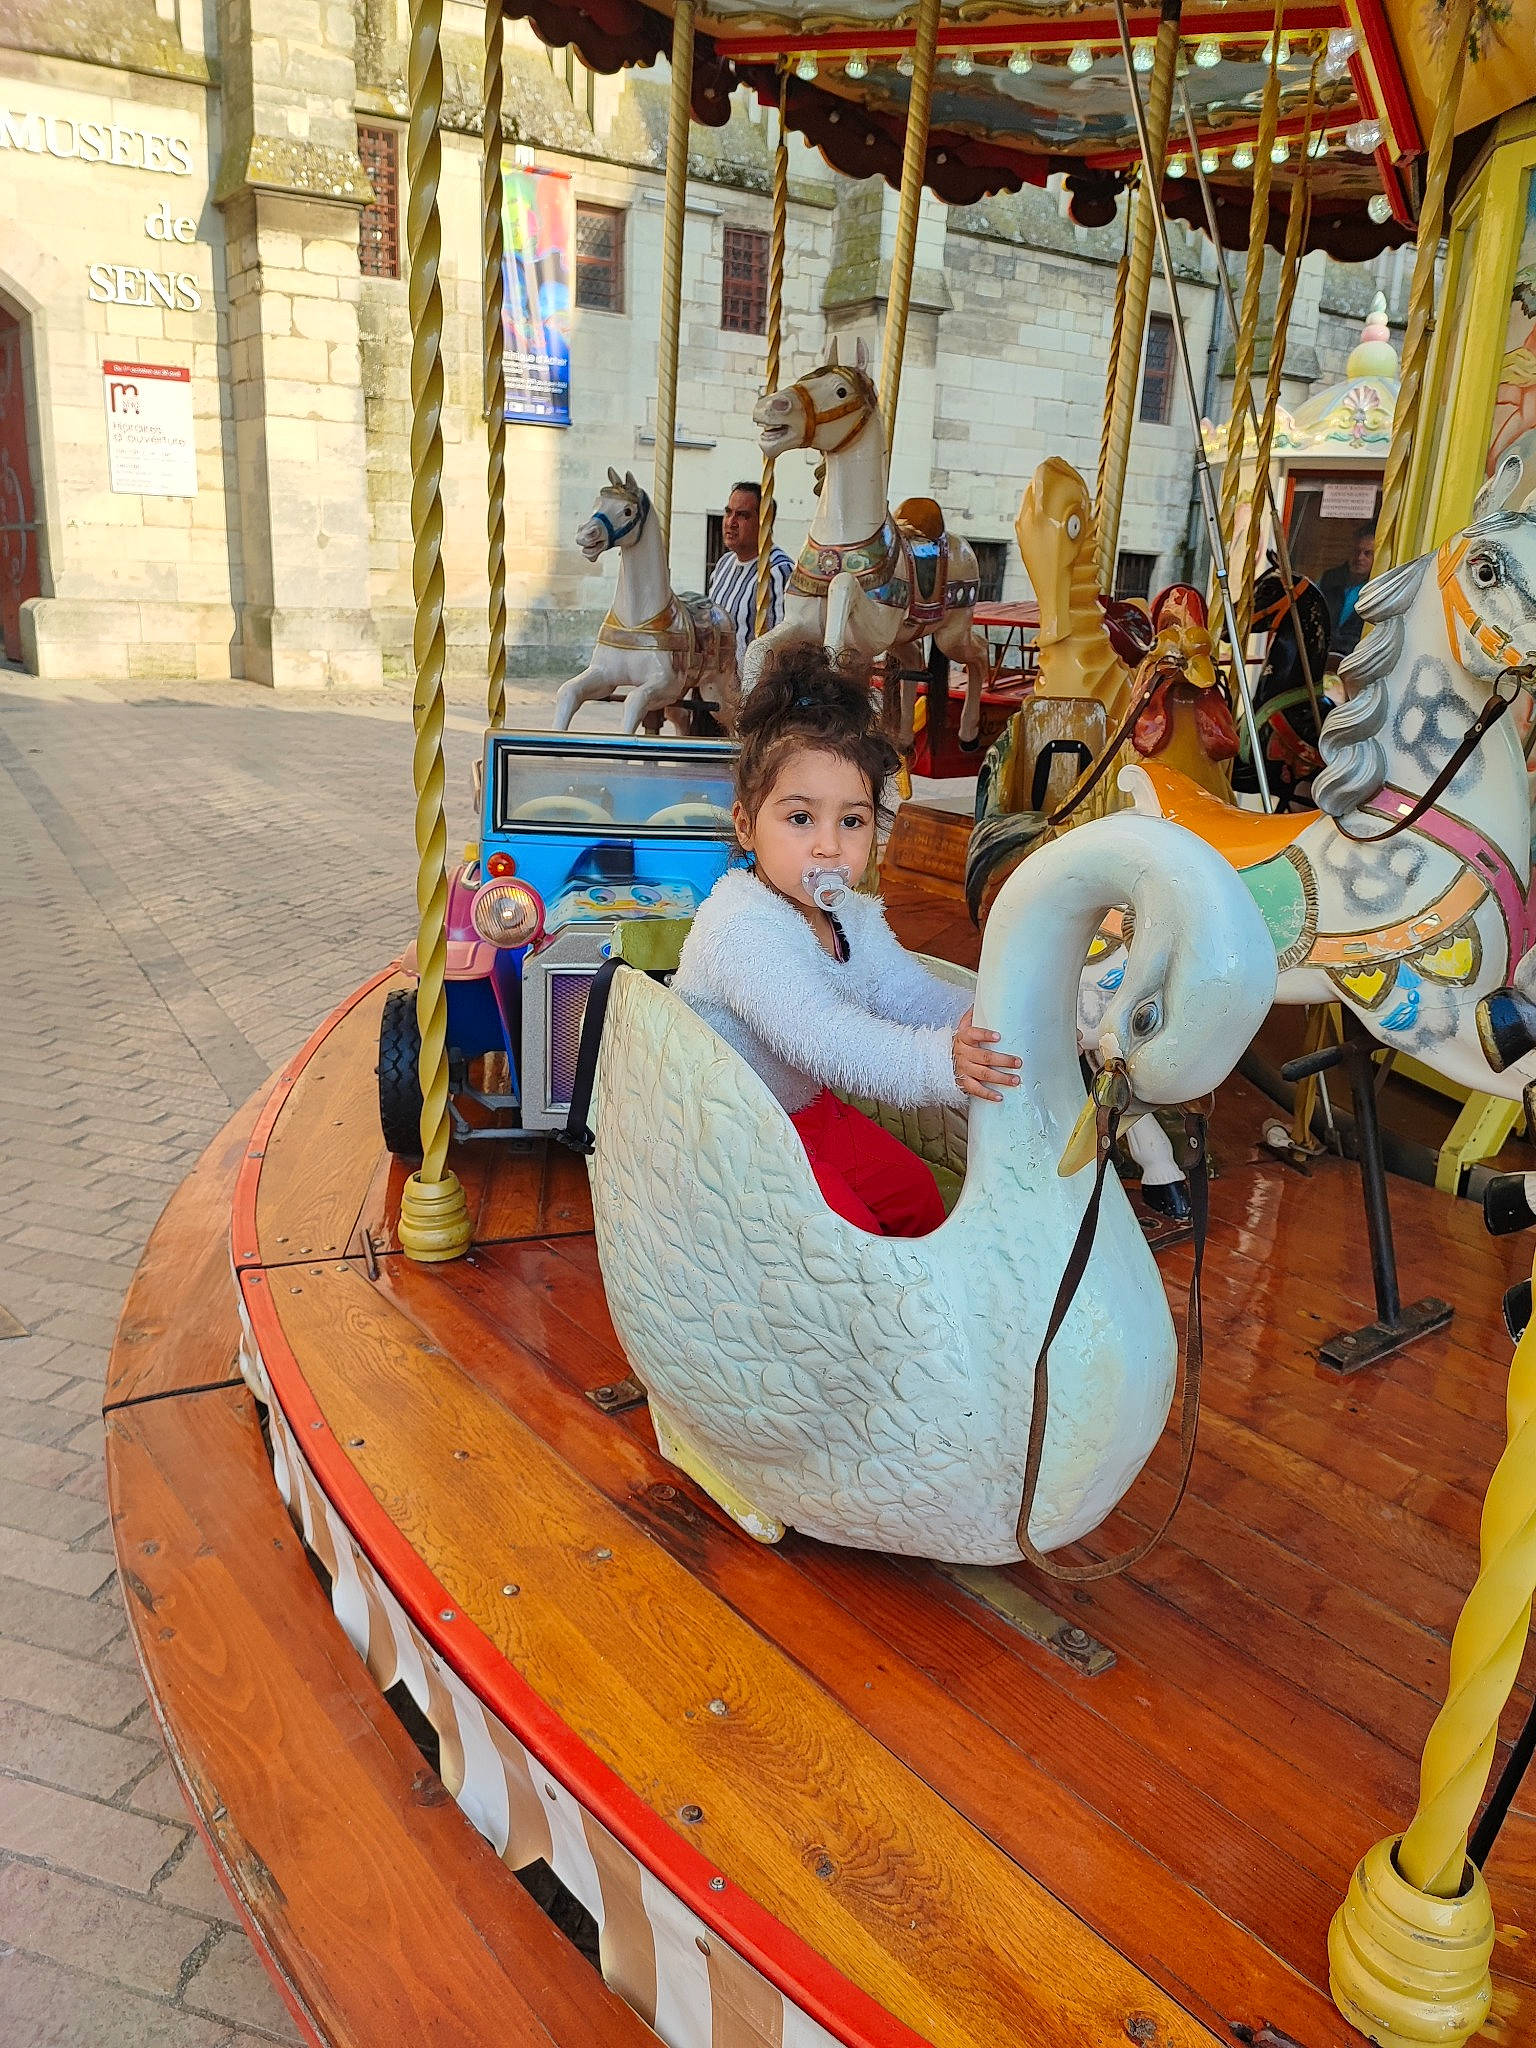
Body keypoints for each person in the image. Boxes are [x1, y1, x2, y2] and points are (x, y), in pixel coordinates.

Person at [672, 645, 1019, 1237]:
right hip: (734, 1127)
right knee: (844, 1234)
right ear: (747, 826)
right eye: (800, 818)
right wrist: (943, 1061)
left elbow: (908, 995)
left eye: (852, 821)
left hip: (805, 1108)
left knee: (916, 1199)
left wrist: (997, 1017)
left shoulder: (850, 916)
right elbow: (826, 1039)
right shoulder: (741, 926)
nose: (829, 846)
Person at [707, 480, 793, 667]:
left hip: (752, 681)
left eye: (742, 515)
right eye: (728, 512)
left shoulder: (778, 571)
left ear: (764, 523)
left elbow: (783, 642)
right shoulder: (724, 564)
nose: (731, 522)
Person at [1318, 524, 1376, 658]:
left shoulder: (1376, 588)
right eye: (1356, 551)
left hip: (1354, 658)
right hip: (1321, 654)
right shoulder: (1329, 579)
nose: (1360, 557)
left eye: (1367, 553)